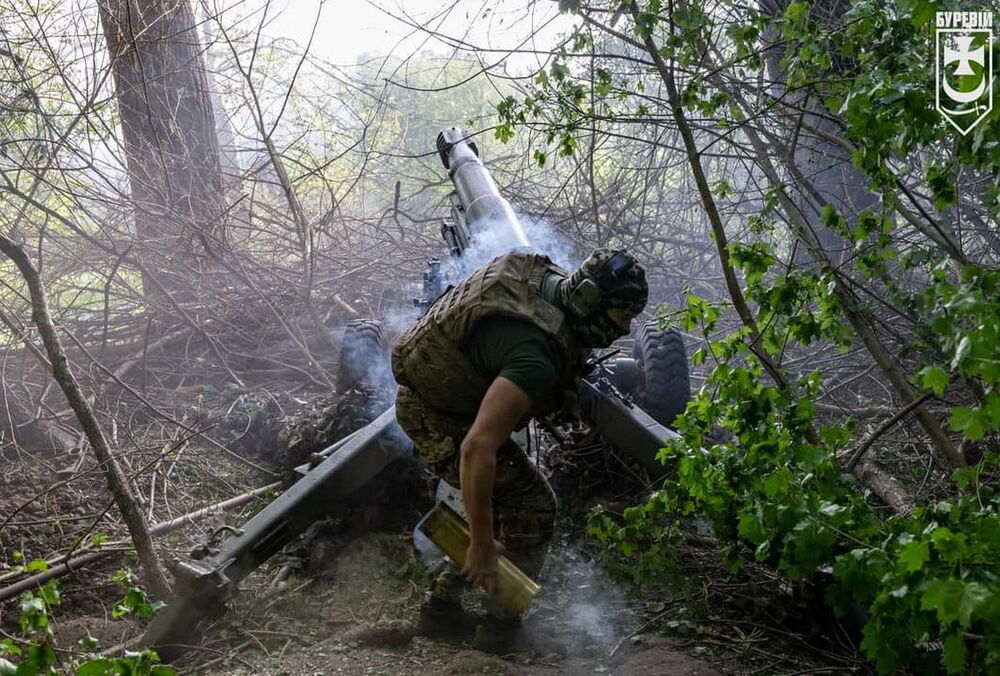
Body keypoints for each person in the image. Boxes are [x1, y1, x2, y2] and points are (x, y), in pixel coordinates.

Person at [391, 248, 648, 652]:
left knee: (498, 498)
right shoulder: (534, 358)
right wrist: (478, 543)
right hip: (436, 416)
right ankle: (500, 628)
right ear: (589, 301)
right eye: (620, 317)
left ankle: (441, 610)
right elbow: (477, 448)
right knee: (532, 506)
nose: (626, 328)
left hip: (454, 398)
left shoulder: (547, 280)